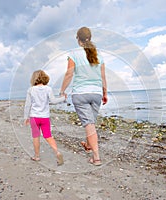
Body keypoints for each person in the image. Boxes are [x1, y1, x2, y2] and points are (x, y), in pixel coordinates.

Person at [60, 27, 108, 166]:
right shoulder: (100, 56)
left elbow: (69, 74)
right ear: (90, 38)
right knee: (91, 123)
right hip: (96, 94)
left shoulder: (74, 54)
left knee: (89, 124)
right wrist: (104, 93)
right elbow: (103, 77)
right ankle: (88, 145)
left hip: (80, 94)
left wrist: (62, 91)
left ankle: (96, 157)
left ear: (78, 39)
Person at [24, 70, 66, 166]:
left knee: (36, 136)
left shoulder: (31, 90)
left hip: (34, 117)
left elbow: (28, 105)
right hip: (45, 117)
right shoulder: (48, 89)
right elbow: (54, 101)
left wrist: (25, 117)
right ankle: (57, 152)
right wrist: (63, 98)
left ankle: (37, 156)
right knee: (48, 135)